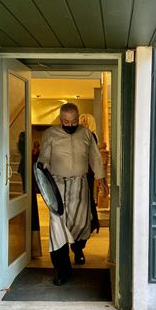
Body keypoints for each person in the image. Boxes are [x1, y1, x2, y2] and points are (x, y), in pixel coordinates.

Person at [38, 103, 109, 285]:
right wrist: (43, 164)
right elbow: (44, 155)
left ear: (78, 118)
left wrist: (101, 179)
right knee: (57, 227)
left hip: (80, 185)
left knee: (81, 224)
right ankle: (62, 270)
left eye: (74, 121)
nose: (70, 125)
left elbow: (95, 156)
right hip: (57, 186)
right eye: (66, 121)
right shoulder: (50, 134)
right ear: (61, 119)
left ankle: (78, 249)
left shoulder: (86, 133)